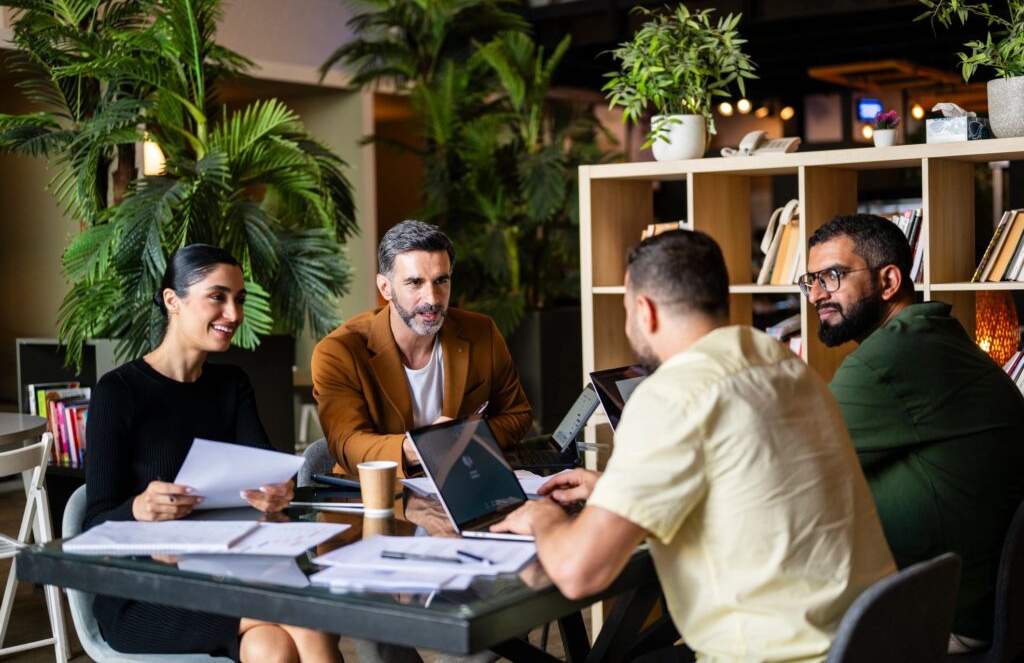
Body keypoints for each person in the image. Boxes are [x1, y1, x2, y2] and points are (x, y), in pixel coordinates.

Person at [491, 229, 895, 662]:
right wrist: (613, 489)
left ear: (644, 311)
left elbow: (577, 573)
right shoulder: (783, 364)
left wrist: (545, 518)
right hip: (866, 639)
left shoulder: (672, 394)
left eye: (626, 311)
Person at [85, 244, 341, 663]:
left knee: (270, 648)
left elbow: (270, 474)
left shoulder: (231, 384)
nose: (234, 314)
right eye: (217, 297)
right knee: (305, 613)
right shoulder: (119, 392)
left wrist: (279, 492)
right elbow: (93, 522)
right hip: (141, 589)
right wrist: (137, 509)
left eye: (238, 299)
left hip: (221, 569)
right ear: (173, 300)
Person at [804, 213, 1024, 651]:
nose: (815, 295)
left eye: (832, 276)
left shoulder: (885, 360)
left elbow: (795, 467)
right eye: (810, 280)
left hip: (942, 612)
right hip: (984, 599)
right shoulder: (933, 332)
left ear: (888, 281)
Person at [312, 220, 532, 478]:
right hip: (375, 495)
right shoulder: (338, 352)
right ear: (385, 288)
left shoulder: (481, 332)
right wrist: (418, 447)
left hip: (462, 483)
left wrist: (463, 438)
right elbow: (346, 443)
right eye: (415, 283)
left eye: (441, 280)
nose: (432, 299)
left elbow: (517, 415)